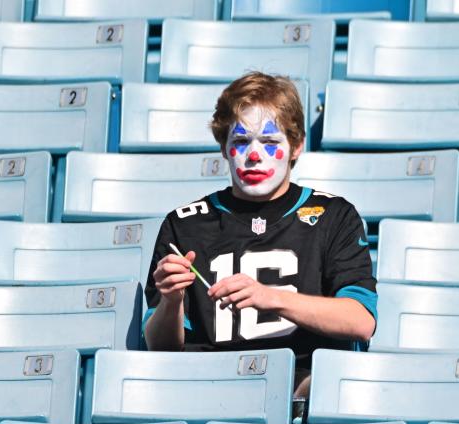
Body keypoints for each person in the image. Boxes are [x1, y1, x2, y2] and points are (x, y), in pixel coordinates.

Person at [144, 72, 377, 396]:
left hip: (300, 386)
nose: (254, 155)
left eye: (270, 142)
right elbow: (159, 349)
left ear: (296, 147)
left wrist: (272, 297)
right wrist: (171, 301)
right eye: (240, 141)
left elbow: (361, 322)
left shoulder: (334, 217)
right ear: (224, 148)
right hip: (207, 386)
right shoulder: (184, 225)